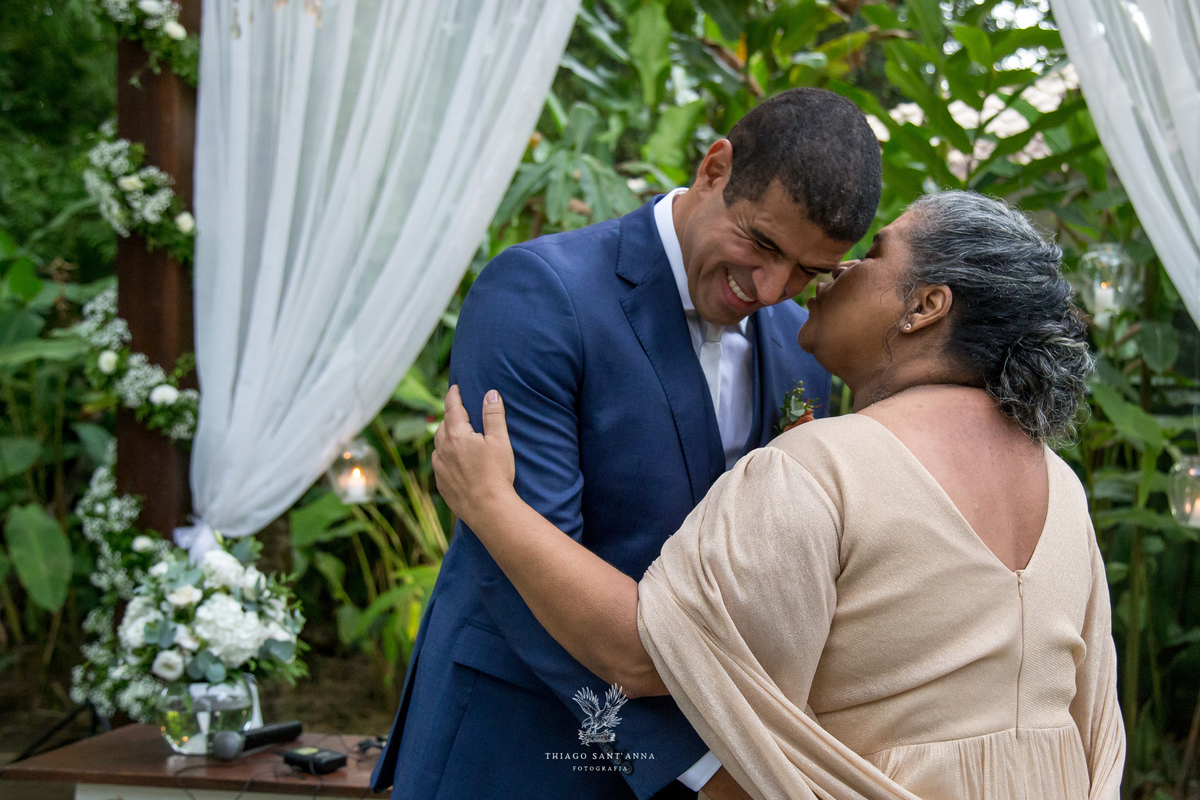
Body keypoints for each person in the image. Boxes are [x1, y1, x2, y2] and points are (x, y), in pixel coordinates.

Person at [430, 190, 1126, 800]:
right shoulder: (1062, 490)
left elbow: (645, 656)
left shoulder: (824, 467)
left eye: (873, 254)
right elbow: (1094, 713)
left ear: (925, 306)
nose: (832, 272)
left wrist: (492, 508)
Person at [368, 87, 882, 800]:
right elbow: (522, 567)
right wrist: (700, 766)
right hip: (518, 745)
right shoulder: (541, 295)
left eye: (807, 271)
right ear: (714, 169)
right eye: (761, 244)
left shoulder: (798, 357)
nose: (770, 289)